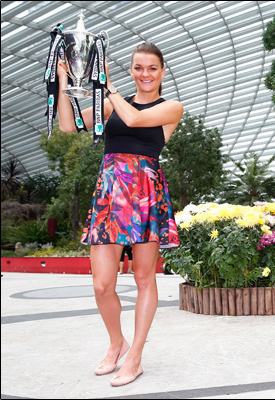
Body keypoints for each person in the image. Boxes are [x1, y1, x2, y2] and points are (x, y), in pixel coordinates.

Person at [57, 42, 183, 387]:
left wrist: (107, 85)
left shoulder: (170, 106)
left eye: (152, 68)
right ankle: (117, 342)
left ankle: (136, 356)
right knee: (101, 284)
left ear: (162, 71)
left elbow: (136, 118)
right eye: (138, 67)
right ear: (131, 69)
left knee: (144, 278)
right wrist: (64, 82)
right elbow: (69, 126)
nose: (145, 74)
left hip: (144, 193)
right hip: (110, 192)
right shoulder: (111, 104)